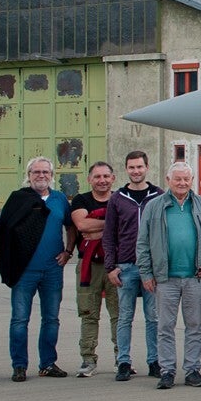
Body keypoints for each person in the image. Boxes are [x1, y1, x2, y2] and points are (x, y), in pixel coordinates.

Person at [135, 161, 201, 388]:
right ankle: (167, 371)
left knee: (194, 325)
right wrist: (146, 273)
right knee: (165, 327)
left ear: (192, 180)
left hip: (195, 277)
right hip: (165, 279)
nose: (182, 183)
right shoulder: (154, 206)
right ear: (168, 180)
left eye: (186, 179)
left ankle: (192, 370)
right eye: (177, 179)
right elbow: (142, 242)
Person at [0, 157, 74, 381]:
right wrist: (9, 263)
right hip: (24, 271)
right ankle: (19, 365)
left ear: (52, 175)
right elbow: (4, 232)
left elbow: (71, 226)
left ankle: (47, 363)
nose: (41, 176)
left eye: (45, 172)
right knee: (20, 319)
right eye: (36, 172)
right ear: (28, 175)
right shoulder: (18, 199)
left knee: (51, 318)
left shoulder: (59, 199)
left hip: (52, 270)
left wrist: (68, 251)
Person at [102, 148, 162, 381]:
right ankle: (124, 362)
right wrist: (111, 266)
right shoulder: (117, 198)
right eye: (131, 167)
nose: (136, 171)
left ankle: (154, 361)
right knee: (124, 317)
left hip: (152, 269)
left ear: (147, 167)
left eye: (139, 167)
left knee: (153, 317)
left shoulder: (158, 196)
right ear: (126, 169)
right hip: (125, 266)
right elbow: (109, 235)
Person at [68, 161, 119, 378]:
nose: (102, 180)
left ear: (113, 178)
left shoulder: (119, 199)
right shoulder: (81, 200)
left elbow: (127, 226)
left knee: (119, 314)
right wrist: (112, 225)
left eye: (106, 176)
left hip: (116, 265)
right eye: (97, 177)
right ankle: (88, 359)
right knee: (88, 313)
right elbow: (82, 225)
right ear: (89, 179)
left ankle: (122, 358)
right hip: (88, 266)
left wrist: (98, 230)